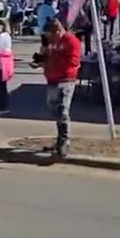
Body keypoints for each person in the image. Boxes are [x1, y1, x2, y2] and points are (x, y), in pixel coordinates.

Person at [32, 17, 81, 158]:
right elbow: (48, 55)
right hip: (52, 79)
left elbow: (72, 62)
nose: (50, 38)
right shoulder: (53, 41)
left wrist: (47, 64)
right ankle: (60, 140)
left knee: (62, 110)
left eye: (52, 34)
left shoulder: (71, 41)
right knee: (54, 109)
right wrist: (40, 59)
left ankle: (65, 141)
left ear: (58, 30)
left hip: (65, 79)